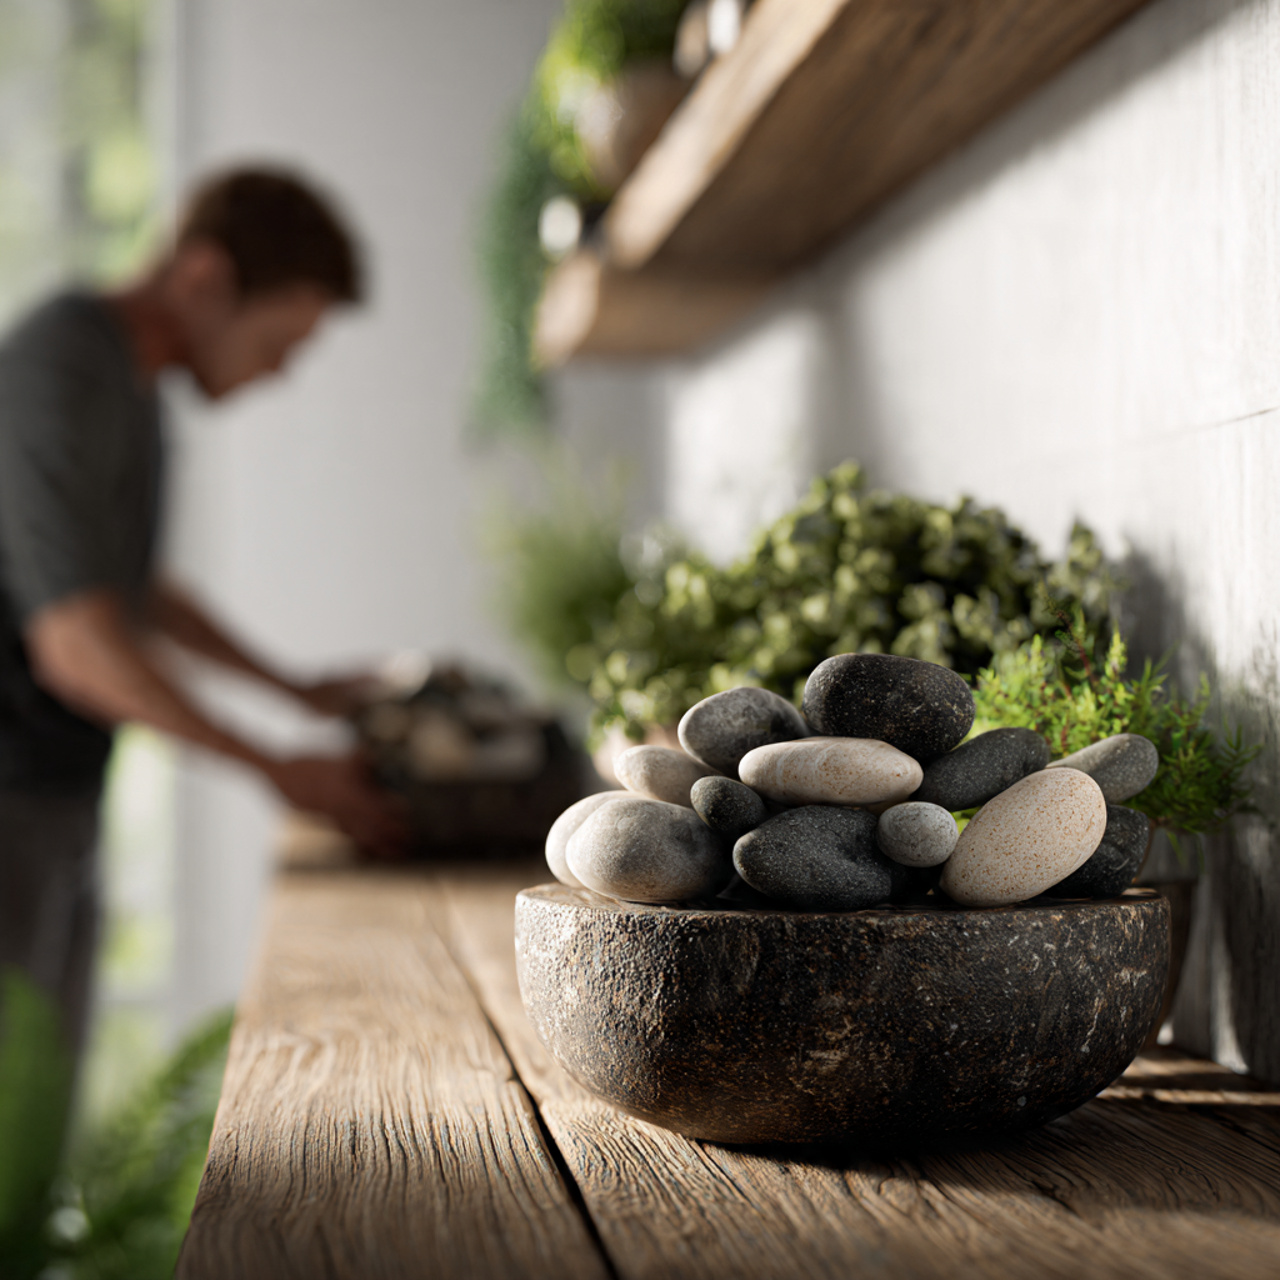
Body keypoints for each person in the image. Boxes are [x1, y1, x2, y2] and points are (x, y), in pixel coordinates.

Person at [0, 167, 407, 1067]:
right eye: (278, 341)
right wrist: (273, 767)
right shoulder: (61, 366)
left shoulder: (130, 384)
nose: (281, 371)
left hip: (56, 793)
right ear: (204, 279)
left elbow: (133, 590)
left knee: (30, 1120)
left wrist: (293, 691)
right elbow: (75, 644)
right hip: (12, 799)